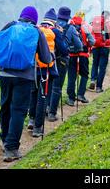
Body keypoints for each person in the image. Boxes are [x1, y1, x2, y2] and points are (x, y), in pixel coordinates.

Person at [0, 6, 52, 162]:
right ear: (35, 19)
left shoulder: (9, 26)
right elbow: (46, 59)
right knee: (18, 111)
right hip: (25, 78)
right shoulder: (36, 31)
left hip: (4, 75)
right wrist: (49, 56)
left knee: (5, 107)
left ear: (21, 16)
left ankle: (5, 139)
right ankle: (11, 149)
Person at [28, 8, 68, 137]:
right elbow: (64, 50)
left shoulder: (35, 29)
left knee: (33, 94)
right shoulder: (55, 31)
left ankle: (31, 119)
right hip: (47, 69)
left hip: (33, 68)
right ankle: (38, 128)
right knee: (43, 97)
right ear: (54, 21)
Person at [45, 6, 83, 118]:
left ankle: (45, 109)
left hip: (49, 57)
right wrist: (71, 49)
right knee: (57, 86)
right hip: (62, 59)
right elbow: (79, 45)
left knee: (49, 85)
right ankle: (52, 113)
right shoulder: (70, 28)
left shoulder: (52, 25)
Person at [66, 12, 95, 106]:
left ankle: (71, 98)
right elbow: (92, 41)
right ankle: (80, 95)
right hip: (83, 55)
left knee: (71, 77)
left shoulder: (69, 26)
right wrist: (87, 44)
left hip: (71, 55)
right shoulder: (85, 27)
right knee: (85, 75)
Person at [89, 11, 110, 93]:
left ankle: (93, 80)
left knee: (95, 64)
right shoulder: (109, 24)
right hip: (105, 48)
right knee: (102, 68)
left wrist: (90, 49)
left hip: (95, 47)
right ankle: (98, 87)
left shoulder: (95, 22)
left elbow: (91, 35)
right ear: (108, 16)